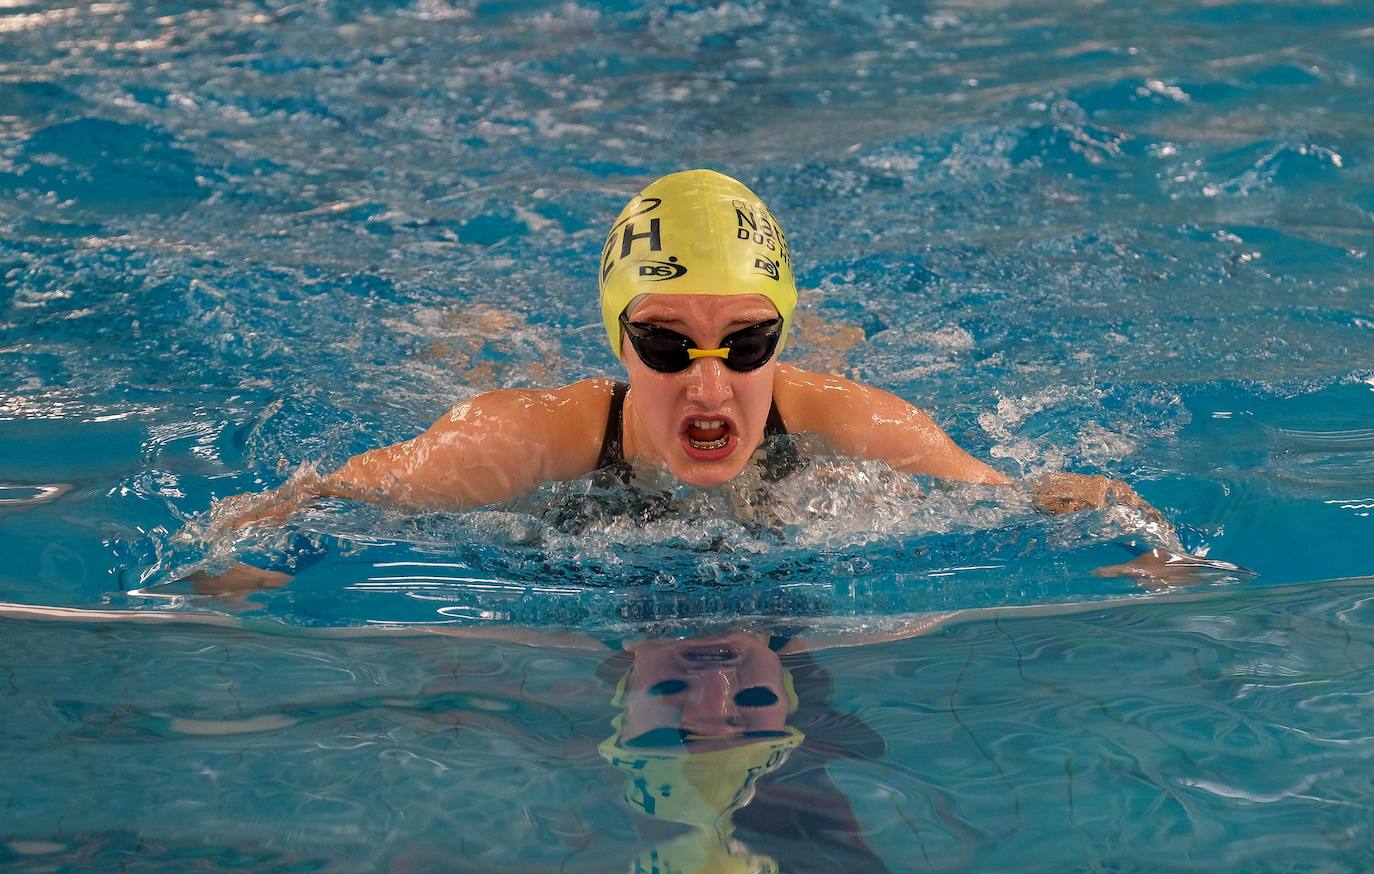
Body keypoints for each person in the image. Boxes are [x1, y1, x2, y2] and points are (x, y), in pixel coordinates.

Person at [196, 168, 1184, 591]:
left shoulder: (849, 417)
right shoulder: (534, 433)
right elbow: (318, 496)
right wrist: (238, 567)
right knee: (471, 366)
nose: (706, 388)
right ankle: (475, 332)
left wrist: (1146, 540)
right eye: (667, 347)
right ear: (620, 345)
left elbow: (1016, 494)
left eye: (747, 344)